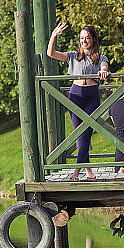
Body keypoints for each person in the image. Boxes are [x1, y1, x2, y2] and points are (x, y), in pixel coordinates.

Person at [47, 23, 109, 181]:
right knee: (80, 135)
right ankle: (88, 171)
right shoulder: (74, 56)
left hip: (92, 97)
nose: (84, 41)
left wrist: (103, 71)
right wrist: (54, 35)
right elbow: (51, 53)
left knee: (86, 134)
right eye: (82, 38)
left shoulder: (101, 58)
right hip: (75, 96)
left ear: (93, 39)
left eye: (87, 38)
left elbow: (104, 66)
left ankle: (76, 172)